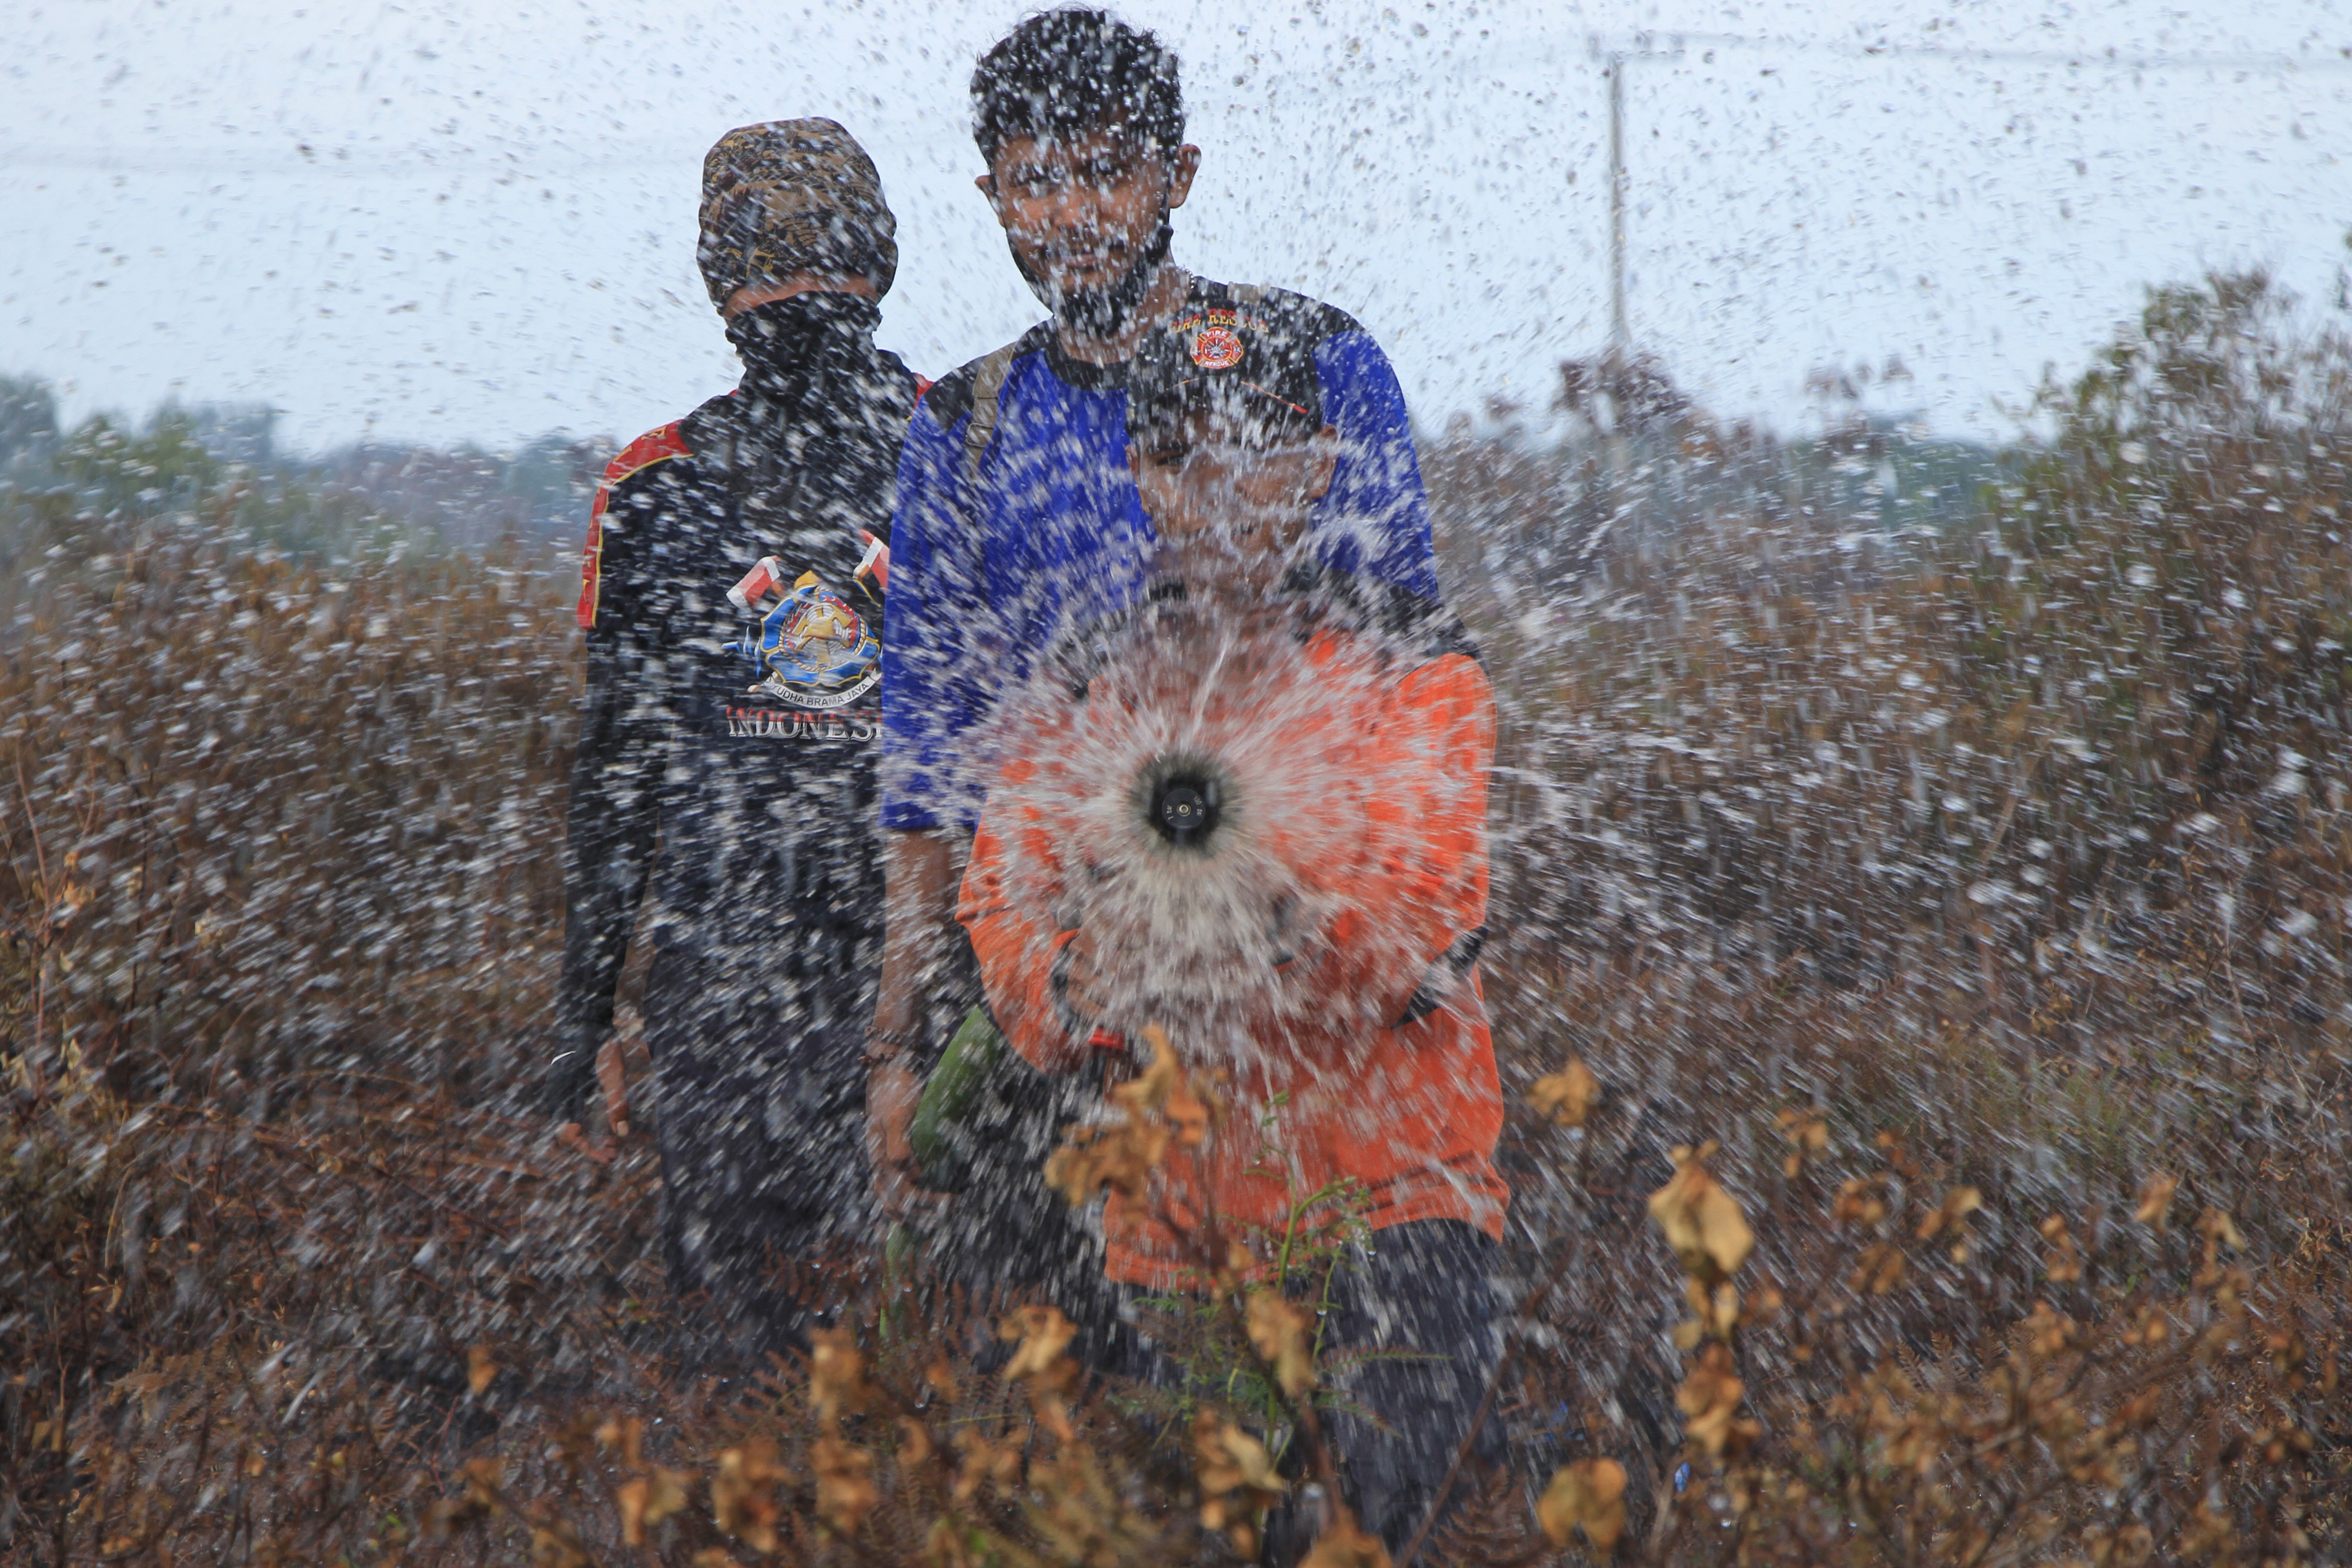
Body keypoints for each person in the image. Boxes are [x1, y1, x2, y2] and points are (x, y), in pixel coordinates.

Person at [866, 5, 1446, 1283]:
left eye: (1106, 169)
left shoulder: (1307, 366)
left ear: (1177, 174)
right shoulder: (960, 425)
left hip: (1300, 975)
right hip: (1048, 987)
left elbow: (1409, 675)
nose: (1072, 213)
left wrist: (1351, 928)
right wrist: (899, 1046)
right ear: (990, 194)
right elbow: (927, 760)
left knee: (1308, 1352)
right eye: (1035, 180)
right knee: (1057, 1404)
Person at [956, 326, 1509, 1560]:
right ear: (1140, 474)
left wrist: (1240, 903)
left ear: (1314, 468)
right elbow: (1004, 918)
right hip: (1173, 1243)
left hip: (1397, 1211)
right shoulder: (1087, 682)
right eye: (1180, 457)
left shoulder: (1406, 667)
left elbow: (1416, 932)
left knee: (1348, 1539)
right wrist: (1069, 986)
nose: (1219, 490)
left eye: (1255, 455)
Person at [548, 118, 922, 1362]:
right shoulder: (653, 486)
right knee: (750, 1365)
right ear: (721, 284)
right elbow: (615, 774)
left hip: (927, 977)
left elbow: (1055, 731)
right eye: (768, 263)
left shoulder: (970, 443)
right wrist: (582, 1024)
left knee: (936, 1350)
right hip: (740, 986)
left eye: (813, 260)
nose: (796, 292)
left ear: (871, 269)